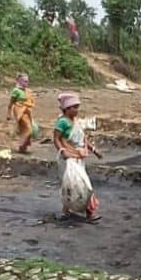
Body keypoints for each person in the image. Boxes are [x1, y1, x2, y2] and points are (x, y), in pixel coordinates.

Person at [52, 92, 102, 223]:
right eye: (74, 107)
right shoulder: (62, 122)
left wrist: (94, 150)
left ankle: (66, 211)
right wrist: (63, 151)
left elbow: (83, 139)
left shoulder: (75, 122)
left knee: (74, 184)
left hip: (78, 158)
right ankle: (90, 212)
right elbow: (56, 139)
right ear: (67, 109)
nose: (77, 110)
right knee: (80, 185)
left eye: (77, 107)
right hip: (68, 159)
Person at [7, 73, 36, 154]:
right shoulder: (16, 91)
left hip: (27, 111)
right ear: (20, 81)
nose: (27, 83)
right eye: (25, 81)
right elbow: (11, 103)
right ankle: (21, 145)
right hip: (19, 111)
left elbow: (31, 101)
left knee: (26, 129)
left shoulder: (28, 91)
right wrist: (9, 114)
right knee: (29, 129)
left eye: (27, 81)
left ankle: (24, 147)